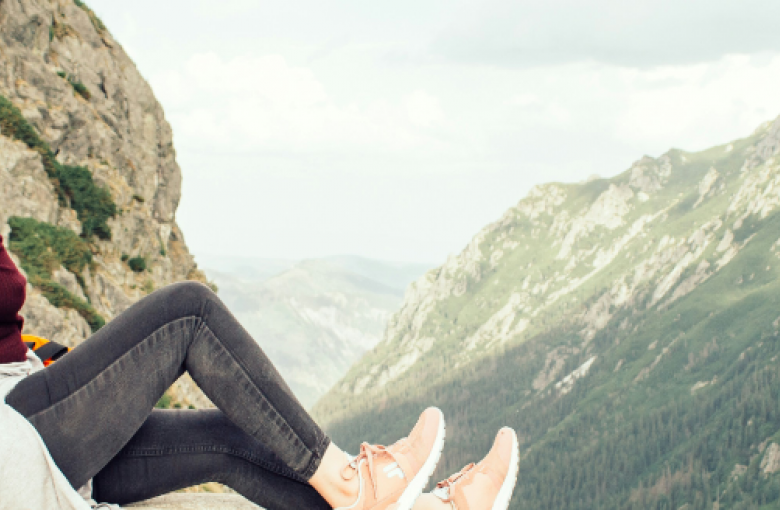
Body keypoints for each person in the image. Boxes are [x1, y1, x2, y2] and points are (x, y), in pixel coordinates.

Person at [0, 232, 519, 510]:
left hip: (23, 411)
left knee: (231, 437)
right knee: (189, 312)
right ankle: (353, 485)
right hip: (13, 438)